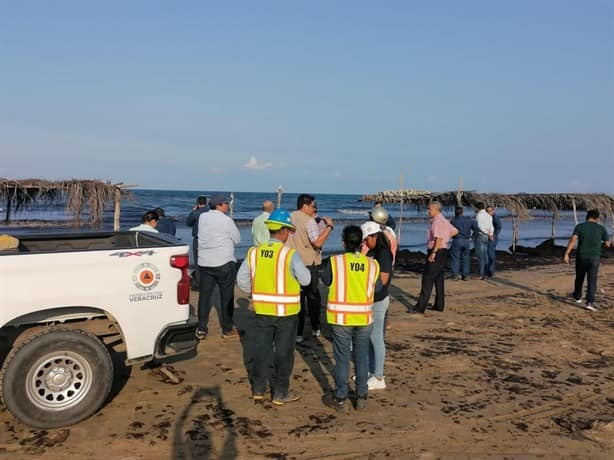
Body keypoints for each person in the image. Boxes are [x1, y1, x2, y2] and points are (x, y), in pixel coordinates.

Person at [237, 209, 311, 405]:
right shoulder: (289, 254)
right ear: (285, 231)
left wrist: (255, 293)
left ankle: (259, 389)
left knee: (261, 350)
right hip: (287, 314)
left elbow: (242, 280)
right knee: (284, 353)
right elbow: (306, 279)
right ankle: (280, 393)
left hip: (262, 311)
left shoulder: (254, 252)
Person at [322, 225, 380, 412]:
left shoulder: (334, 262)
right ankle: (361, 397)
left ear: (343, 242)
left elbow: (326, 280)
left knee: (342, 359)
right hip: (364, 318)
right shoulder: (372, 264)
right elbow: (377, 287)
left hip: (341, 318)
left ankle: (341, 398)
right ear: (362, 242)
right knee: (361, 357)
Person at [287, 194, 334, 342]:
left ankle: (298, 332)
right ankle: (315, 328)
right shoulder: (309, 221)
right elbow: (317, 243)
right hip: (308, 263)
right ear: (305, 206)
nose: (314, 209)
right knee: (313, 297)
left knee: (297, 298)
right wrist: (329, 228)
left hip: (291, 261)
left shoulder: (289, 217)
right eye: (313, 206)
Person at [196, 194, 240, 339]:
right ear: (219, 205)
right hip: (223, 261)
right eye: (226, 203)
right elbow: (237, 239)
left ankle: (201, 328)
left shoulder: (203, 217)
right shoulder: (226, 220)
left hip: (205, 261)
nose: (228, 205)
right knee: (226, 296)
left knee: (205, 296)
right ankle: (227, 329)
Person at [409, 202, 458, 314]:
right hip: (442, 251)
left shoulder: (437, 221)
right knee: (438, 278)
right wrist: (446, 237)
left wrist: (434, 252)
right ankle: (439, 305)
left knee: (427, 278)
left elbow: (439, 238)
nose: (428, 211)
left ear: (436, 210)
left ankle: (420, 307)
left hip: (437, 251)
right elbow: (455, 231)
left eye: (429, 209)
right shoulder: (444, 220)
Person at [361, 221, 393, 391]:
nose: (365, 242)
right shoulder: (374, 251)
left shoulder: (383, 254)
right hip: (372, 299)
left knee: (376, 338)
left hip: (378, 300)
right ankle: (373, 371)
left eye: (367, 239)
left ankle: (379, 376)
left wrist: (365, 289)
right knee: (371, 339)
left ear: (374, 236)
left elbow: (383, 280)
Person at [564, 209, 611, 311]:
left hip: (581, 256)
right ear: (597, 218)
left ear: (587, 217)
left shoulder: (580, 227)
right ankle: (590, 302)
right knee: (592, 279)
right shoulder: (601, 228)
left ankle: (577, 297)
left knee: (579, 277)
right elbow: (608, 244)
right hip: (595, 258)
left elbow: (573, 240)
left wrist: (566, 253)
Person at [186, 196, 209, 288]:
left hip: (198, 238)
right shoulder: (209, 212)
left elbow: (188, 223)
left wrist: (193, 211)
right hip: (209, 238)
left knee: (197, 261)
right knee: (207, 260)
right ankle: (207, 280)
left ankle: (199, 283)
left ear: (197, 203)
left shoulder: (196, 213)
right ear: (206, 202)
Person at [449, 206, 477, 280]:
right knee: (466, 258)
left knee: (455, 258)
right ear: (462, 212)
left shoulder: (453, 221)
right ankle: (466, 275)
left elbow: (449, 231)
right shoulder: (469, 220)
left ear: (455, 212)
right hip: (466, 240)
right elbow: (477, 229)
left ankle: (455, 275)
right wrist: (472, 237)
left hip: (457, 240)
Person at [474, 202, 494, 280]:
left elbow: (478, 227)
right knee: (485, 255)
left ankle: (481, 274)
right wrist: (490, 234)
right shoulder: (488, 215)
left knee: (480, 256)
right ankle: (486, 272)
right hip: (487, 236)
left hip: (480, 236)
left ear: (477, 208)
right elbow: (491, 226)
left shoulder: (478, 215)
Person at [486, 206, 502, 278]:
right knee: (488, 254)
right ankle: (488, 271)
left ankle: (491, 272)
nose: (489, 212)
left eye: (490, 211)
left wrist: (494, 235)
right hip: (488, 237)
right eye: (488, 211)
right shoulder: (487, 217)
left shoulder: (495, 217)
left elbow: (499, 227)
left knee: (491, 254)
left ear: (493, 211)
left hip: (493, 238)